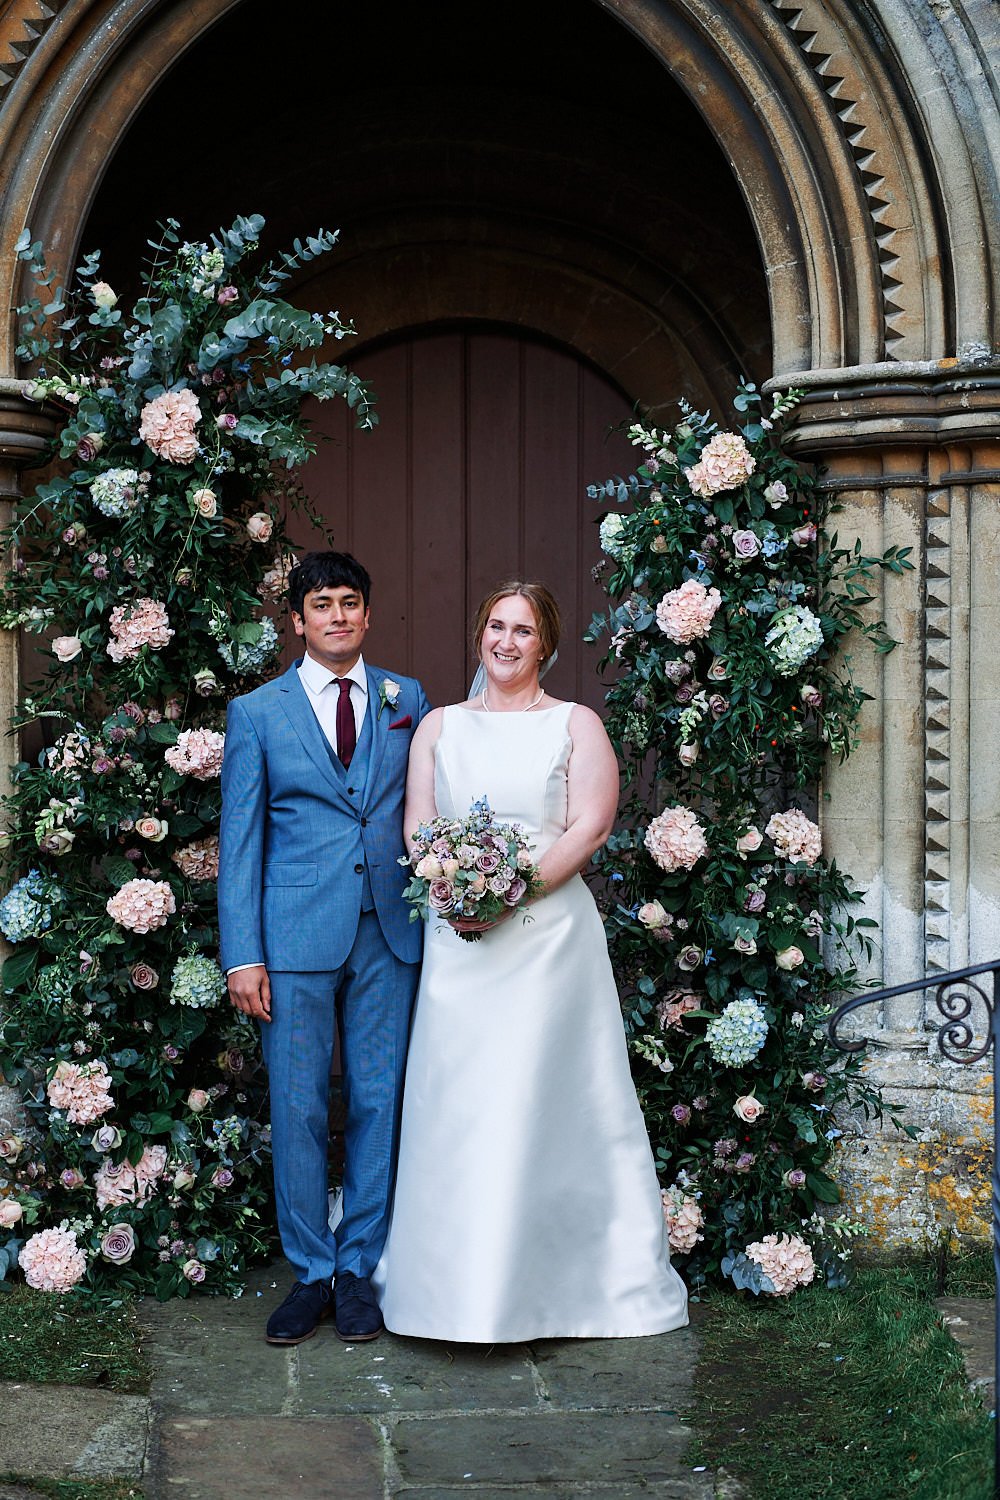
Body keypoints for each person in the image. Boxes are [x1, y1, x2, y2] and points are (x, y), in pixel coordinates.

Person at [374, 581, 688, 1341]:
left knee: (545, 1102)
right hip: (461, 937)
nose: (505, 642)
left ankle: (563, 1287)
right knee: (462, 1104)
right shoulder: (439, 727)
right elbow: (418, 823)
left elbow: (590, 826)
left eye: (522, 631)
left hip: (547, 940)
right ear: (480, 634)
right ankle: (448, 1288)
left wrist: (510, 892)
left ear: (545, 644)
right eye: (494, 626)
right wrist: (449, 884)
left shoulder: (575, 725)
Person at [218, 551, 430, 1346]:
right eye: (321, 605)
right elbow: (240, 841)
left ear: (367, 615)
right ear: (297, 620)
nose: (337, 616)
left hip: (388, 933)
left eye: (349, 603)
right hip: (295, 938)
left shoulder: (407, 699)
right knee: (300, 1107)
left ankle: (359, 1270)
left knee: (378, 1102)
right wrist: (244, 955)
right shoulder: (258, 712)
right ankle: (310, 1271)